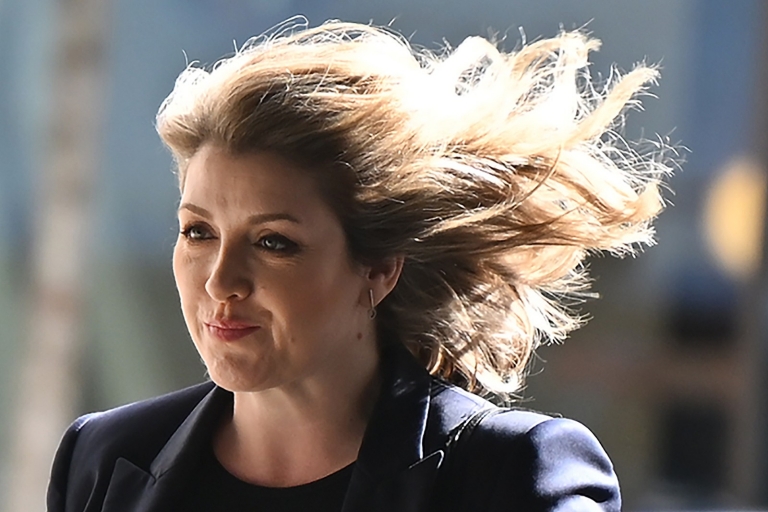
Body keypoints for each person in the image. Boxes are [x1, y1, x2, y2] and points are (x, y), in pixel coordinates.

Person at [47, 20, 670, 512]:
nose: (220, 281)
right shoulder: (104, 458)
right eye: (198, 232)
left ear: (377, 268)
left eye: (274, 242)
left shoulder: (511, 473)